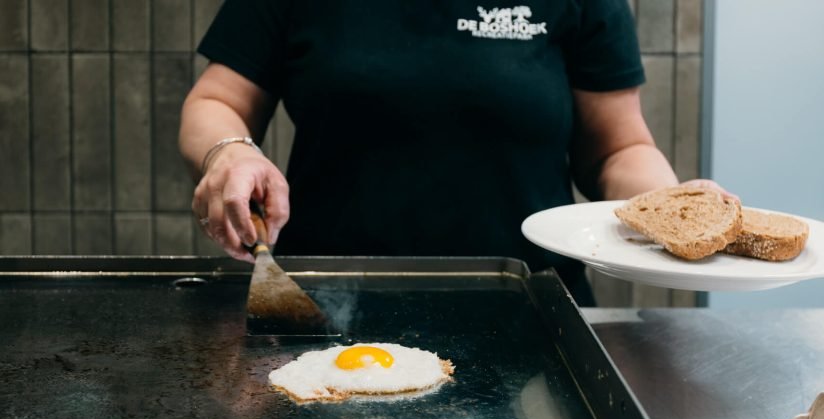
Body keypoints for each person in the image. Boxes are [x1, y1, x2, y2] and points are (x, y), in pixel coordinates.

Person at [179, 0, 731, 306]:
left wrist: (668, 205)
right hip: (326, 307)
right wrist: (228, 153)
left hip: (534, 310)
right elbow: (216, 100)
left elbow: (619, 147)